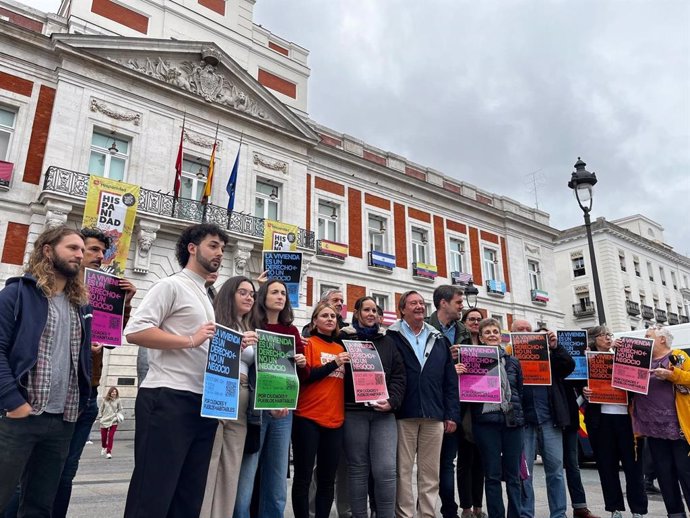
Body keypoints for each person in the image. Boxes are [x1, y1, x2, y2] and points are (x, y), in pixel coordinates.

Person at [123, 223, 227, 518]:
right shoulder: (171, 285)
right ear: (192, 248)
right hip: (168, 396)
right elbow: (136, 331)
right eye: (213, 245)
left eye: (221, 247)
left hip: (204, 401)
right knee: (153, 493)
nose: (219, 252)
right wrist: (189, 340)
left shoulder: (206, 295)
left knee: (189, 496)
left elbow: (205, 344)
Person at [0, 226, 92, 516]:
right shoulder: (16, 294)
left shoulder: (81, 306)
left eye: (81, 249)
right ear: (48, 250)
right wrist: (13, 403)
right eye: (72, 248)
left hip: (62, 421)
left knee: (40, 506)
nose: (80, 255)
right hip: (19, 417)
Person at [50, 226, 137, 518]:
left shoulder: (101, 290)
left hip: (87, 393)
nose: (101, 256)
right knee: (36, 468)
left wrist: (124, 304)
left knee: (65, 473)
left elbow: (110, 342)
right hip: (52, 391)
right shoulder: (56, 288)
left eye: (103, 251)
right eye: (93, 250)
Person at [233, 279, 307, 518]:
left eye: (283, 293)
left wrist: (302, 363)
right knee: (247, 474)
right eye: (274, 292)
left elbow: (301, 376)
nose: (280, 296)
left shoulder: (292, 331)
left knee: (276, 479)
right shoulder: (251, 324)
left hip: (283, 410)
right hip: (254, 409)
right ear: (263, 296)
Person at [386, 290, 460, 518]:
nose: (419, 306)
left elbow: (450, 381)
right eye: (413, 303)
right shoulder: (391, 337)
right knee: (403, 472)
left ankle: (427, 514)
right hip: (403, 414)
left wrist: (451, 414)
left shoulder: (439, 339)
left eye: (421, 303)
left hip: (435, 415)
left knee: (430, 473)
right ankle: (405, 515)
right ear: (402, 309)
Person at [340, 296, 406, 518]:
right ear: (357, 313)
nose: (371, 314)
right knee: (358, 470)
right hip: (354, 412)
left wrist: (392, 402)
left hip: (383, 413)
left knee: (386, 469)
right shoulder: (343, 339)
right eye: (366, 310)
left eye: (374, 311)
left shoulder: (388, 342)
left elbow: (399, 376)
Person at [200, 276, 259, 518]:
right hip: (220, 388)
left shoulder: (248, 327)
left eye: (252, 294)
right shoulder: (213, 321)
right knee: (210, 462)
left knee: (231, 466)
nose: (249, 298)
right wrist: (237, 345)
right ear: (229, 295)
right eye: (243, 292)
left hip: (244, 399)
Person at [427, 285, 484, 518]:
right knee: (436, 463)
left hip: (460, 405)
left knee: (450, 461)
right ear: (443, 303)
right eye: (459, 302)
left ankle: (451, 510)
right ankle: (439, 507)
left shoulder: (463, 330)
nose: (463, 306)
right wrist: (446, 362)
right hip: (433, 404)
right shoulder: (425, 328)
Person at [457, 318, 524, 518]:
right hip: (486, 423)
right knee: (492, 475)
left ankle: (515, 515)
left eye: (495, 331)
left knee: (514, 477)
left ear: (500, 335)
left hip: (512, 422)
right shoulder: (473, 360)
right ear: (482, 337)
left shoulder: (513, 362)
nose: (492, 334)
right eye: (488, 332)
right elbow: (468, 391)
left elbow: (519, 390)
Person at [512, 319, 579, 518]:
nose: (525, 332)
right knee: (525, 473)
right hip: (525, 421)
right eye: (520, 330)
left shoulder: (550, 355)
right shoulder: (510, 356)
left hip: (550, 419)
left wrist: (555, 347)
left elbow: (568, 366)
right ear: (513, 334)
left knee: (556, 470)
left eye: (527, 329)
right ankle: (526, 514)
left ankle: (558, 514)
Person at [582, 326, 647, 518]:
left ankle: (638, 510)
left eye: (610, 335)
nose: (608, 338)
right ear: (594, 339)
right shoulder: (587, 360)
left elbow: (638, 384)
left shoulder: (624, 356)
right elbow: (576, 383)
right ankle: (614, 509)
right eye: (603, 335)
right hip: (600, 421)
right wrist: (584, 391)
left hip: (627, 420)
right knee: (606, 466)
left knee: (633, 467)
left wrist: (622, 354)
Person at [292, 303, 349, 518]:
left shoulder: (342, 349)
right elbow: (307, 377)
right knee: (303, 477)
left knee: (327, 479)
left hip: (335, 421)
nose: (330, 319)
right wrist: (334, 364)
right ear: (314, 320)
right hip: (307, 418)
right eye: (324, 315)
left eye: (333, 316)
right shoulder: (308, 344)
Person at [631, 325, 690, 518]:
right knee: (665, 476)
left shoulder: (679, 356)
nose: (644, 340)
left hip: (678, 428)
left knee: (686, 474)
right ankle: (675, 514)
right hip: (652, 429)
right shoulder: (641, 361)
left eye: (648, 336)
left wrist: (671, 375)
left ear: (662, 339)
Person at [455, 308, 488, 518]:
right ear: (464, 322)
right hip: (464, 409)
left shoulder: (489, 347)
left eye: (479, 319)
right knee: (465, 461)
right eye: (471, 319)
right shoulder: (459, 347)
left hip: (484, 408)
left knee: (481, 462)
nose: (475, 322)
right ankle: (466, 507)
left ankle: (478, 505)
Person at [98, 386, 123, 459]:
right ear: (110, 392)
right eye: (112, 392)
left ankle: (109, 452)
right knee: (103, 437)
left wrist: (117, 416)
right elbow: (100, 409)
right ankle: (104, 446)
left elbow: (120, 409)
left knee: (111, 436)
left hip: (114, 420)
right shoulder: (105, 400)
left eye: (115, 392)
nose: (114, 393)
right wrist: (100, 417)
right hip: (104, 420)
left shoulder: (118, 400)